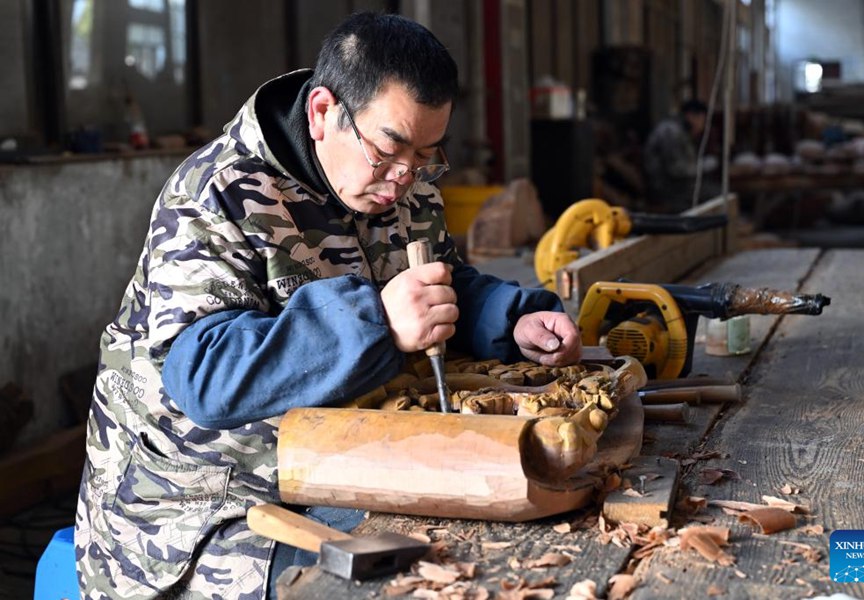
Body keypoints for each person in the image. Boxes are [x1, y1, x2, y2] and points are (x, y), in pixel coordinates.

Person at [75, 11, 581, 600]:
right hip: (205, 507)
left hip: (336, 461)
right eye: (389, 150)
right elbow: (204, 375)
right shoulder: (215, 194)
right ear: (321, 113)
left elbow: (442, 282)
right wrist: (379, 322)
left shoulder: (404, 178)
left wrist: (510, 318)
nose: (403, 179)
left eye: (426, 155)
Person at [643, 98, 721, 213]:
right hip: (667, 189)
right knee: (719, 195)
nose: (703, 126)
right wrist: (703, 166)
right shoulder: (671, 132)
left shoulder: (681, 131)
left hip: (678, 185)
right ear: (691, 116)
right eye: (702, 120)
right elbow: (677, 170)